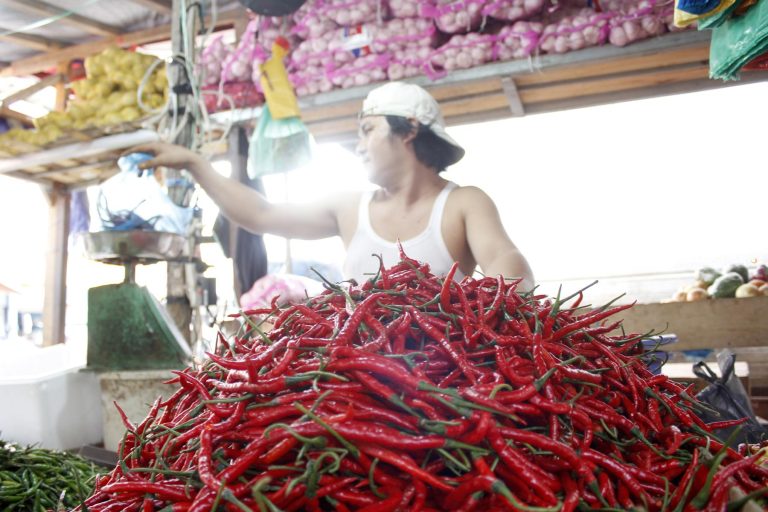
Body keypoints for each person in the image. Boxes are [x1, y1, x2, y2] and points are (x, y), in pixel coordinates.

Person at [131, 81, 534, 289]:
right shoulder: (349, 208)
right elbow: (261, 215)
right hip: (360, 386)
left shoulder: (462, 203)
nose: (358, 146)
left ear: (409, 130)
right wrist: (197, 165)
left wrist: (494, 305)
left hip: (440, 385)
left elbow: (506, 261)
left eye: (367, 130)